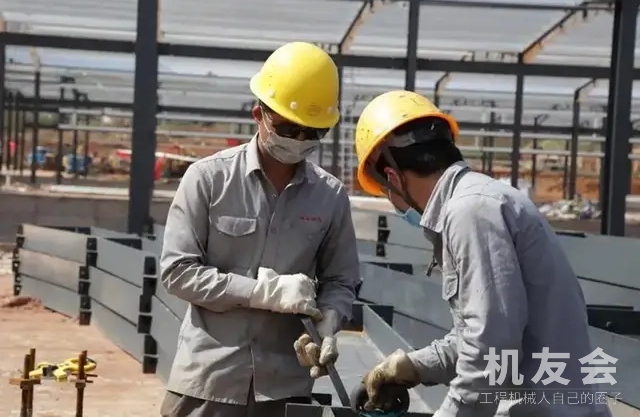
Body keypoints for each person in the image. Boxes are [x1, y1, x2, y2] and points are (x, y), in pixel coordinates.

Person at [352, 90, 612, 417]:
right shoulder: (480, 201)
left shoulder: (470, 212)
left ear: (392, 178)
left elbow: (489, 348)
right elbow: (479, 336)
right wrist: (413, 366)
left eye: (387, 193)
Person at [159, 41, 360, 417]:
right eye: (288, 128)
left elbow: (341, 280)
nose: (299, 141)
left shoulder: (330, 196)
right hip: (210, 378)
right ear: (259, 114)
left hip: (286, 386)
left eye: (312, 132)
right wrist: (261, 292)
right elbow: (176, 272)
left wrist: (331, 322)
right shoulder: (207, 180)